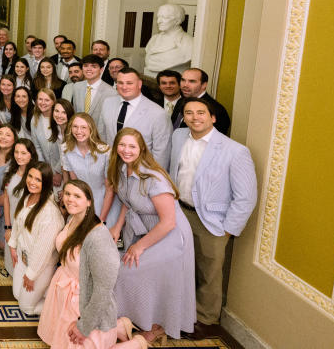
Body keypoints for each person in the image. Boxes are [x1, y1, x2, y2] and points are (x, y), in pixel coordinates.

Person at [168, 98, 257, 335]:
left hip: (212, 222)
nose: (195, 117)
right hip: (180, 212)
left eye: (201, 113)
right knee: (181, 265)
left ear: (213, 118)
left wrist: (227, 230)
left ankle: (205, 320)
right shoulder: (178, 137)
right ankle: (181, 311)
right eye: (189, 113)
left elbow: (246, 197)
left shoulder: (235, 151)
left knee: (209, 272)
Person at [109, 128, 196, 342]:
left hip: (171, 237)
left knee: (128, 271)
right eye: (122, 145)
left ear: (141, 149)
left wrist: (139, 246)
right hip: (146, 232)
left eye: (132, 146)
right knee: (118, 268)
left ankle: (157, 327)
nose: (126, 150)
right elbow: (127, 201)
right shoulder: (122, 169)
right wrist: (117, 228)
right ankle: (133, 319)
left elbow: (168, 222)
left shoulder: (154, 177)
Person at [37, 179, 147, 349]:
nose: (70, 199)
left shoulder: (98, 237)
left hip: (86, 301)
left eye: (77, 196)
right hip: (65, 290)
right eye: (67, 194)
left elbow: (102, 290)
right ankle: (121, 327)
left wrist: (84, 326)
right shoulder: (73, 219)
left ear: (88, 202)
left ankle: (136, 344)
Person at [9, 161, 62, 315]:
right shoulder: (28, 197)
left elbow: (43, 250)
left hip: (40, 266)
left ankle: (64, 309)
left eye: (38, 180)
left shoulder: (50, 214)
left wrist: (32, 274)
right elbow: (18, 223)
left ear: (45, 183)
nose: (32, 182)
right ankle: (43, 292)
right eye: (30, 176)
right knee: (17, 295)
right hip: (23, 258)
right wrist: (13, 246)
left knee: (26, 308)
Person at [99, 68, 173, 168]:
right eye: (120, 83)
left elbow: (161, 154)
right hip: (111, 169)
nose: (124, 87)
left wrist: (153, 179)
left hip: (141, 173)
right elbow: (102, 136)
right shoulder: (107, 103)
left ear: (139, 84)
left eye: (129, 83)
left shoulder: (158, 113)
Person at [62, 113, 119, 228]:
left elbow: (110, 189)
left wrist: (101, 220)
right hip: (82, 202)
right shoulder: (66, 149)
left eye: (83, 127)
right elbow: (76, 185)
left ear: (91, 129)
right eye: (75, 126)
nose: (79, 131)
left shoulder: (105, 152)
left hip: (106, 203)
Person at [0, 137, 37, 271]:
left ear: (31, 155)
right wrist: (7, 226)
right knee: (11, 267)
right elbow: (6, 198)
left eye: (23, 153)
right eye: (16, 152)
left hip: (27, 227)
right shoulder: (11, 171)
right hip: (12, 223)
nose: (19, 156)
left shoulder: (35, 176)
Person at [170, 68, 232, 135]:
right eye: (183, 80)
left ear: (204, 85)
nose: (185, 85)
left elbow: (214, 141)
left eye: (192, 81)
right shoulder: (181, 101)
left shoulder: (216, 110)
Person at [30, 89, 64, 185]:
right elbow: (36, 147)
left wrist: (58, 172)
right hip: (46, 169)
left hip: (63, 169)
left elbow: (65, 149)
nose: (43, 103)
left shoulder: (60, 118)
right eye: (40, 99)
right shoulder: (34, 119)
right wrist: (44, 168)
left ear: (53, 101)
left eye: (47, 100)